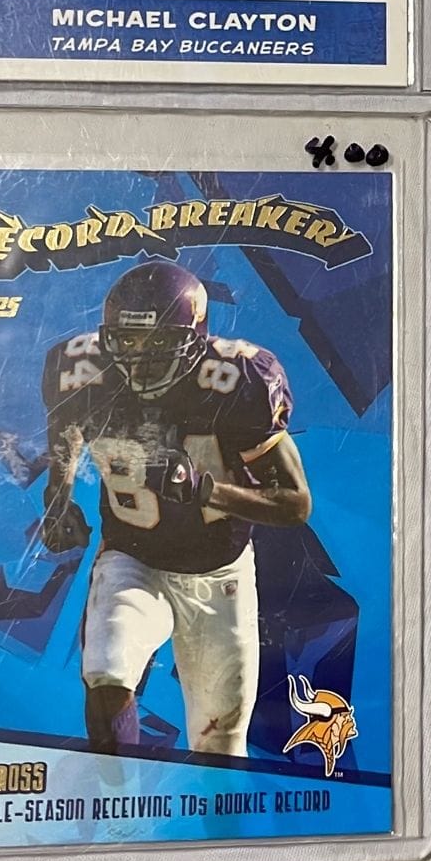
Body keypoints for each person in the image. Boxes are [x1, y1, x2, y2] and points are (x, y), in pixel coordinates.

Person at [39, 260, 311, 757]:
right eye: (128, 340)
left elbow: (295, 503)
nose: (141, 358)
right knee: (106, 675)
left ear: (195, 337)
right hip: (132, 557)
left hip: (218, 570)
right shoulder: (81, 369)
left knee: (219, 743)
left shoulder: (240, 378)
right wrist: (58, 501)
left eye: (160, 341)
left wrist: (206, 490)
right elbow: (66, 434)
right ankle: (114, 799)